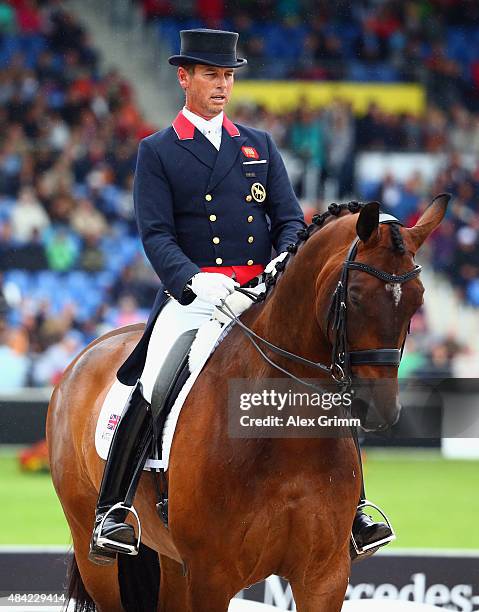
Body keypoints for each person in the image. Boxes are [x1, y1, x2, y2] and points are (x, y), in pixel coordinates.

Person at [89, 28, 392, 564]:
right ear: (184, 77)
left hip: (262, 293)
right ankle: (113, 509)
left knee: (324, 381)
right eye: (211, 74)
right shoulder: (158, 151)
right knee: (156, 376)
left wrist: (282, 260)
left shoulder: (258, 145)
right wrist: (194, 280)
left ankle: (357, 509)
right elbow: (156, 234)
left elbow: (289, 219)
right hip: (198, 297)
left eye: (228, 75)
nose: (222, 85)